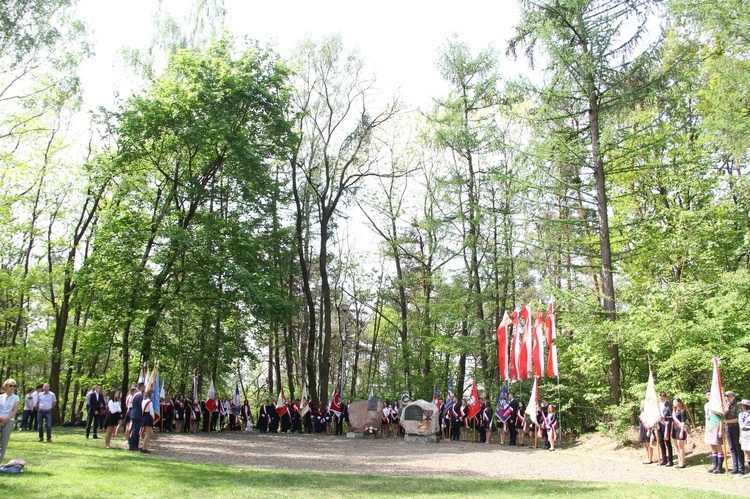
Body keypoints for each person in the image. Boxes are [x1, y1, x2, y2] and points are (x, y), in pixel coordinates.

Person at [0, 379, 20, 464]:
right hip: (0, 418)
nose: (12, 388)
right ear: (6, 386)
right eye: (11, 386)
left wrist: (7, 419)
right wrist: (1, 418)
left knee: (3, 443)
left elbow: (15, 410)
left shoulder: (16, 397)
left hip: (9, 421)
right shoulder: (1, 397)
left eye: (14, 386)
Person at [725, 391, 745, 474]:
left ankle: (741, 468)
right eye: (727, 397)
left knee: (738, 448)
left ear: (733, 397)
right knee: (732, 448)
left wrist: (726, 421)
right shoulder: (726, 406)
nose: (728, 398)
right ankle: (735, 467)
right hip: (728, 428)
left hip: (736, 427)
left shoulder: (737, 406)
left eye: (730, 396)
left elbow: (738, 419)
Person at [705, 389, 724, 473]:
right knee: (712, 445)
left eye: (709, 394)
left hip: (715, 425)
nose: (708, 396)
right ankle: (715, 465)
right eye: (707, 395)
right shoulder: (706, 405)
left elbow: (720, 418)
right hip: (709, 424)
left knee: (718, 445)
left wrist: (720, 429)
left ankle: (720, 467)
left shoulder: (717, 405)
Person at [657, 391, 673, 467]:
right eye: (660, 397)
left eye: (663, 397)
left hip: (666, 425)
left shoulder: (669, 405)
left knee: (668, 442)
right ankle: (664, 459)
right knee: (661, 442)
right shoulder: (658, 405)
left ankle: (670, 460)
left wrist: (664, 418)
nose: (661, 398)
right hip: (659, 425)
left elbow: (672, 416)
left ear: (665, 397)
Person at [127, 382, 144, 451]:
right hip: (137, 414)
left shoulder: (135, 394)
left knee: (136, 430)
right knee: (135, 430)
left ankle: (135, 445)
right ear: (142, 386)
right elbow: (141, 406)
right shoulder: (139, 395)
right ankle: (132, 445)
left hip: (134, 413)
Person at [671, 398, 687, 468]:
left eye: (675, 402)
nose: (673, 403)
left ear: (679, 402)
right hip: (674, 430)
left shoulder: (682, 411)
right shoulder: (674, 411)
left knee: (681, 447)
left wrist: (681, 432)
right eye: (673, 402)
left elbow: (683, 422)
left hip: (680, 429)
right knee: (676, 447)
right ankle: (679, 461)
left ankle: (682, 463)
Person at [739, 399, 750, 478]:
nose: (742, 406)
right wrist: (740, 436)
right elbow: (740, 426)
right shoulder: (741, 414)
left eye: (743, 405)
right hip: (744, 433)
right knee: (747, 452)